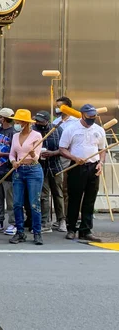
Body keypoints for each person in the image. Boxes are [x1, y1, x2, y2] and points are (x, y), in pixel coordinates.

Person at [59, 104, 106, 242]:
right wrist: (74, 158)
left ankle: (86, 230)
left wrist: (100, 163)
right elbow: (62, 148)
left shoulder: (99, 130)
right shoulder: (71, 129)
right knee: (74, 199)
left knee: (90, 200)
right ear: (82, 114)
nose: (92, 118)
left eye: (94, 116)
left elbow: (102, 149)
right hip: (77, 166)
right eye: (90, 116)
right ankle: (71, 228)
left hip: (93, 167)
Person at [8, 109, 44, 245]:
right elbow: (12, 154)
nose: (16, 123)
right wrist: (13, 162)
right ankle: (20, 232)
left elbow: (37, 158)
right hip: (19, 170)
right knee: (17, 203)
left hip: (33, 171)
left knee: (34, 203)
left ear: (25, 122)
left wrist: (33, 153)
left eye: (18, 121)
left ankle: (37, 232)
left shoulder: (37, 136)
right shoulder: (15, 136)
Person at [33, 111, 65, 233]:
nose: (38, 122)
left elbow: (64, 148)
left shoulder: (57, 130)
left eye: (40, 120)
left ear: (47, 121)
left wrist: (53, 153)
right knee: (43, 196)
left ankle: (61, 220)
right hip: (40, 167)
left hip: (55, 166)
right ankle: (45, 222)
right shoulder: (34, 130)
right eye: (37, 120)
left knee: (58, 193)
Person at [0, 108, 17, 235]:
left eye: (0, 117)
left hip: (8, 169)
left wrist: (2, 154)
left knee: (10, 198)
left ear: (4, 118)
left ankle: (13, 222)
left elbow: (15, 152)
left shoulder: (13, 133)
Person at [53, 96, 79, 220]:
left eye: (60, 106)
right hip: (58, 157)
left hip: (72, 156)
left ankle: (72, 215)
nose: (57, 109)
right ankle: (62, 216)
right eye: (57, 106)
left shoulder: (76, 121)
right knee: (60, 189)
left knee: (70, 188)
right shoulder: (56, 122)